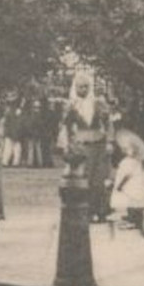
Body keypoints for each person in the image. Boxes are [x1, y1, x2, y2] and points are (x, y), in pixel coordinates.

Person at [61, 72, 114, 222]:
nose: (83, 89)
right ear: (75, 87)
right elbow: (66, 126)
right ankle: (86, 211)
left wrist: (110, 141)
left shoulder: (99, 103)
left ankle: (101, 210)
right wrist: (67, 145)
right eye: (80, 87)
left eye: (85, 86)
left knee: (100, 179)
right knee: (84, 179)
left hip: (99, 144)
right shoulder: (71, 105)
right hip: (82, 146)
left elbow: (109, 123)